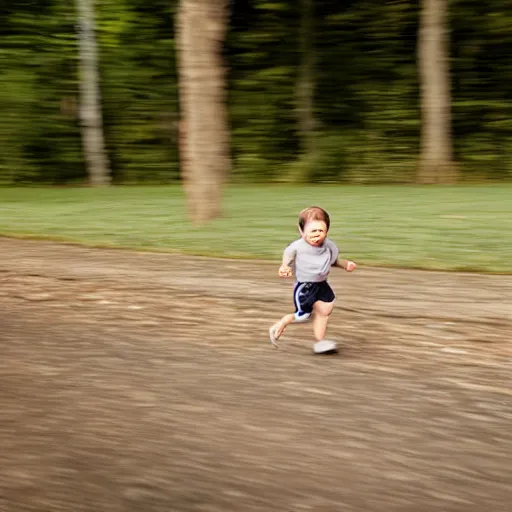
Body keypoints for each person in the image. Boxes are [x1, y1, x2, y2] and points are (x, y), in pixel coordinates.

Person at [269, 206, 356, 349]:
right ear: (301, 231)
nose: (317, 235)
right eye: (313, 231)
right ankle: (281, 323)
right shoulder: (297, 247)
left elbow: (333, 261)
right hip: (305, 287)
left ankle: (319, 342)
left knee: (325, 310)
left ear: (327, 230)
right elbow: (287, 259)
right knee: (303, 316)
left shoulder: (329, 246)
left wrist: (346, 265)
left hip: (322, 284)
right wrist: (284, 267)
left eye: (320, 231)